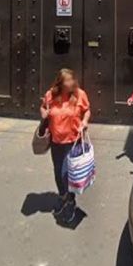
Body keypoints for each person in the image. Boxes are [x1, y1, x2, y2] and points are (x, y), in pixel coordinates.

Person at [40, 68, 90, 221]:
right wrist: (43, 112)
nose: (71, 83)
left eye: (72, 79)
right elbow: (43, 107)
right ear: (60, 83)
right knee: (57, 172)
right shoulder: (51, 95)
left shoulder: (80, 94)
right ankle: (63, 196)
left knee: (66, 174)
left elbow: (87, 110)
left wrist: (84, 122)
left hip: (72, 141)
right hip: (56, 141)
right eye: (67, 80)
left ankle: (71, 202)